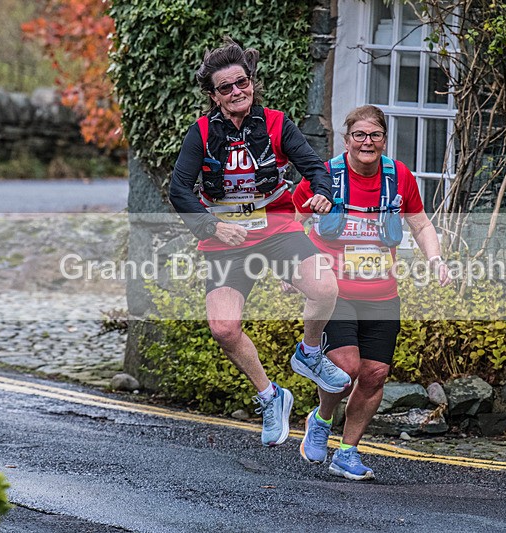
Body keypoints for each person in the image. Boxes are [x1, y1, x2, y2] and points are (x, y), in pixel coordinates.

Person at [168, 38, 351, 448]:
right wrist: (212, 227)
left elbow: (315, 168)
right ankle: (271, 397)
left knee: (324, 287)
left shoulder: (275, 123)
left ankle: (309, 353)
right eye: (226, 88)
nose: (237, 92)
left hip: (277, 230)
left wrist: (322, 191)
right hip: (226, 240)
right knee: (223, 327)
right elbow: (178, 189)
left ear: (252, 82)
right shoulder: (199, 134)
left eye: (242, 82)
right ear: (213, 96)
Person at [292, 105, 449, 480]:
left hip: (382, 294)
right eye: (359, 135)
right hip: (335, 291)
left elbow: (421, 223)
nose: (367, 142)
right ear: (347, 140)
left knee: (375, 374)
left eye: (375, 135)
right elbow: (292, 221)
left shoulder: (399, 177)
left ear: (384, 139)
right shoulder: (324, 175)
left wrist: (436, 259)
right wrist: (294, 266)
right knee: (345, 369)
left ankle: (347, 453)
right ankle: (321, 419)